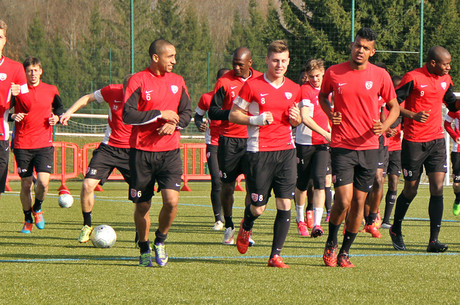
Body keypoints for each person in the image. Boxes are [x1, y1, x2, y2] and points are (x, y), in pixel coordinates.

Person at [319, 28, 399, 268]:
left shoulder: (381, 75)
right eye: (357, 45)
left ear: (372, 52)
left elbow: (394, 106)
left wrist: (383, 125)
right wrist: (329, 112)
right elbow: (323, 97)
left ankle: (344, 251)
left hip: (369, 148)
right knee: (343, 201)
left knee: (358, 204)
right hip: (342, 145)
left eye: (366, 47)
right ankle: (331, 242)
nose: (360, 50)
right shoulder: (334, 72)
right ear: (351, 46)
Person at [229, 40, 301, 268]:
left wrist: (297, 120)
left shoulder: (294, 88)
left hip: (287, 152)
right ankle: (246, 224)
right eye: (275, 60)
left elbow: (297, 120)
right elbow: (233, 114)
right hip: (259, 153)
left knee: (285, 203)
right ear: (267, 60)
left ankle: (275, 255)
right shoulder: (252, 86)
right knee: (258, 207)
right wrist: (255, 120)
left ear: (288, 62)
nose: (279, 65)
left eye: (284, 61)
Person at [123, 39, 191, 267]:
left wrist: (175, 124)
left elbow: (186, 113)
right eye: (169, 56)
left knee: (171, 201)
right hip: (141, 152)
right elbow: (128, 115)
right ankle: (143, 247)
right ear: (155, 58)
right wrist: (160, 114)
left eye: (174, 56)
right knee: (143, 206)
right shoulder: (138, 80)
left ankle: (160, 241)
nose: (174, 60)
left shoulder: (178, 81)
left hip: (169, 152)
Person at [390, 46, 458, 252]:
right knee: (410, 189)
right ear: (432, 63)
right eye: (445, 64)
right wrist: (412, 115)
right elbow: (391, 105)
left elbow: (453, 105)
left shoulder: (446, 79)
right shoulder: (413, 77)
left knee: (437, 188)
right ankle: (396, 228)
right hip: (413, 142)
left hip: (437, 141)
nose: (449, 67)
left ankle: (433, 241)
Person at [60, 75, 132, 243]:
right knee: (87, 185)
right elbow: (87, 98)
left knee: (141, 194)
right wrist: (69, 112)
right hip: (108, 148)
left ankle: (140, 236)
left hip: (132, 151)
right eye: (127, 88)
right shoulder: (112, 91)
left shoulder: (145, 98)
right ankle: (87, 225)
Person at [208, 47, 262, 245]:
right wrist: (231, 114)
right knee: (228, 186)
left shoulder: (261, 80)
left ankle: (245, 229)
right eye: (234, 64)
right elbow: (212, 111)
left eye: (241, 64)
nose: (236, 67)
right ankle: (229, 225)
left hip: (253, 140)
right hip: (229, 141)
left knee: (252, 187)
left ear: (250, 63)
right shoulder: (224, 82)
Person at [12, 57, 64, 233]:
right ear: (24, 73)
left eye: (35, 70)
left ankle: (38, 208)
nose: (32, 73)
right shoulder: (18, 91)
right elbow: (5, 110)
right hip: (22, 144)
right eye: (29, 71)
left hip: (43, 143)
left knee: (42, 182)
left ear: (41, 71)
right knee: (26, 184)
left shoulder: (51, 89)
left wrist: (56, 118)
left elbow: (59, 109)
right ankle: (27, 219)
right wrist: (13, 116)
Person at [294, 58, 331, 238]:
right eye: (311, 76)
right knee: (302, 184)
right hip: (305, 143)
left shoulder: (329, 91)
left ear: (323, 73)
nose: (315, 79)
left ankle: (317, 223)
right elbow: (306, 118)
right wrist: (326, 133)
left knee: (320, 181)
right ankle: (300, 220)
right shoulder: (305, 90)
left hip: (322, 145)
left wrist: (331, 129)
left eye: (318, 76)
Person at [194, 68, 230, 231]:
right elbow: (198, 115)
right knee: (217, 181)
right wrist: (199, 123)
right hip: (214, 142)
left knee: (229, 182)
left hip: (233, 143)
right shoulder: (207, 98)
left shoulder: (238, 98)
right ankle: (218, 219)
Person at [0, 20, 30, 204]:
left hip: (1, 135)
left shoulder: (15, 68)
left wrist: (19, 96)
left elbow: (27, 105)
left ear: (5, 41)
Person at [381, 75, 403, 229]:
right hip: (381, 146)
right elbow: (381, 118)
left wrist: (399, 133)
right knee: (378, 182)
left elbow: (406, 122)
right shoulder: (383, 101)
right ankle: (372, 214)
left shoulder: (403, 104)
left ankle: (386, 220)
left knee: (394, 181)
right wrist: (387, 129)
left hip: (396, 148)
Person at [444, 109, 460, 216]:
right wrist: (455, 136)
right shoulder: (456, 107)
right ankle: (458, 199)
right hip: (458, 150)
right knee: (457, 184)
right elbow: (446, 124)